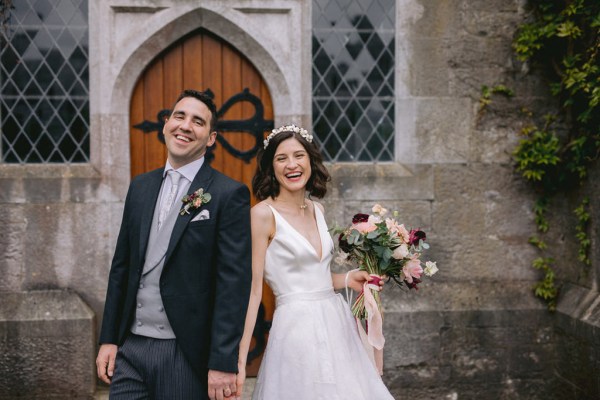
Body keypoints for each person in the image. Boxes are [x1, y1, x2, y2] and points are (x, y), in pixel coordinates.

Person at [96, 89, 252, 400]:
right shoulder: (140, 186)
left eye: (198, 121)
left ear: (211, 138)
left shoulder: (227, 194)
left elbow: (232, 285)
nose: (185, 126)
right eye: (179, 116)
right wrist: (109, 338)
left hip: (184, 352)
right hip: (131, 348)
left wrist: (223, 362)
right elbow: (121, 267)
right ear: (166, 124)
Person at [236, 124, 394, 399]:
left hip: (336, 322)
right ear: (271, 167)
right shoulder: (262, 215)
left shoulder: (317, 209)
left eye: (299, 155)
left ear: (310, 160)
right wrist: (238, 361)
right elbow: (253, 291)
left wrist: (347, 279)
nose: (292, 165)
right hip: (296, 330)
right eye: (281, 158)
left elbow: (314, 277)